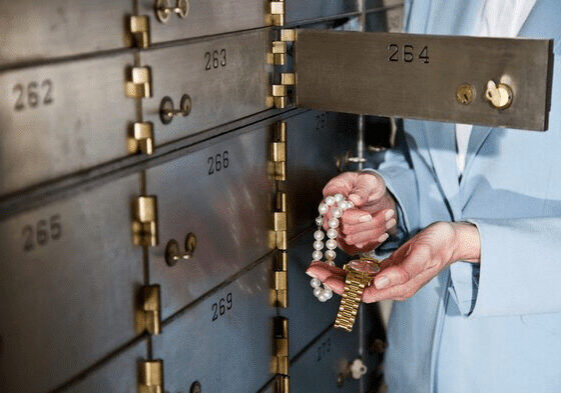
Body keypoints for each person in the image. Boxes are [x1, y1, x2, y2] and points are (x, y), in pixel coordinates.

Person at [306, 0, 561, 392]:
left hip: (535, 366)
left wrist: (468, 244)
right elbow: (426, 158)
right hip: (416, 366)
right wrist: (389, 203)